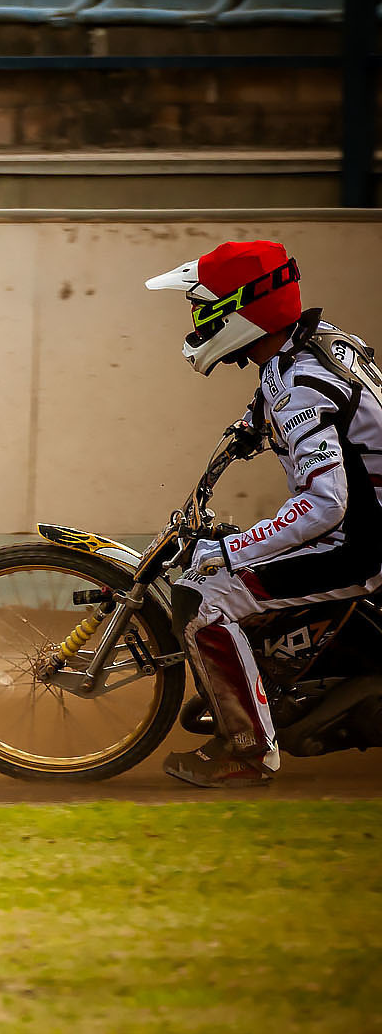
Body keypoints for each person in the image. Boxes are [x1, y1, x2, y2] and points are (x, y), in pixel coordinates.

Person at [145, 241, 382, 789]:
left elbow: (325, 504)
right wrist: (248, 429)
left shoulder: (299, 384)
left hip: (360, 541)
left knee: (204, 596)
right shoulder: (312, 344)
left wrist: (229, 550)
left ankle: (247, 752)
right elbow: (299, 402)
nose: (198, 323)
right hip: (361, 523)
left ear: (243, 310)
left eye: (205, 310)